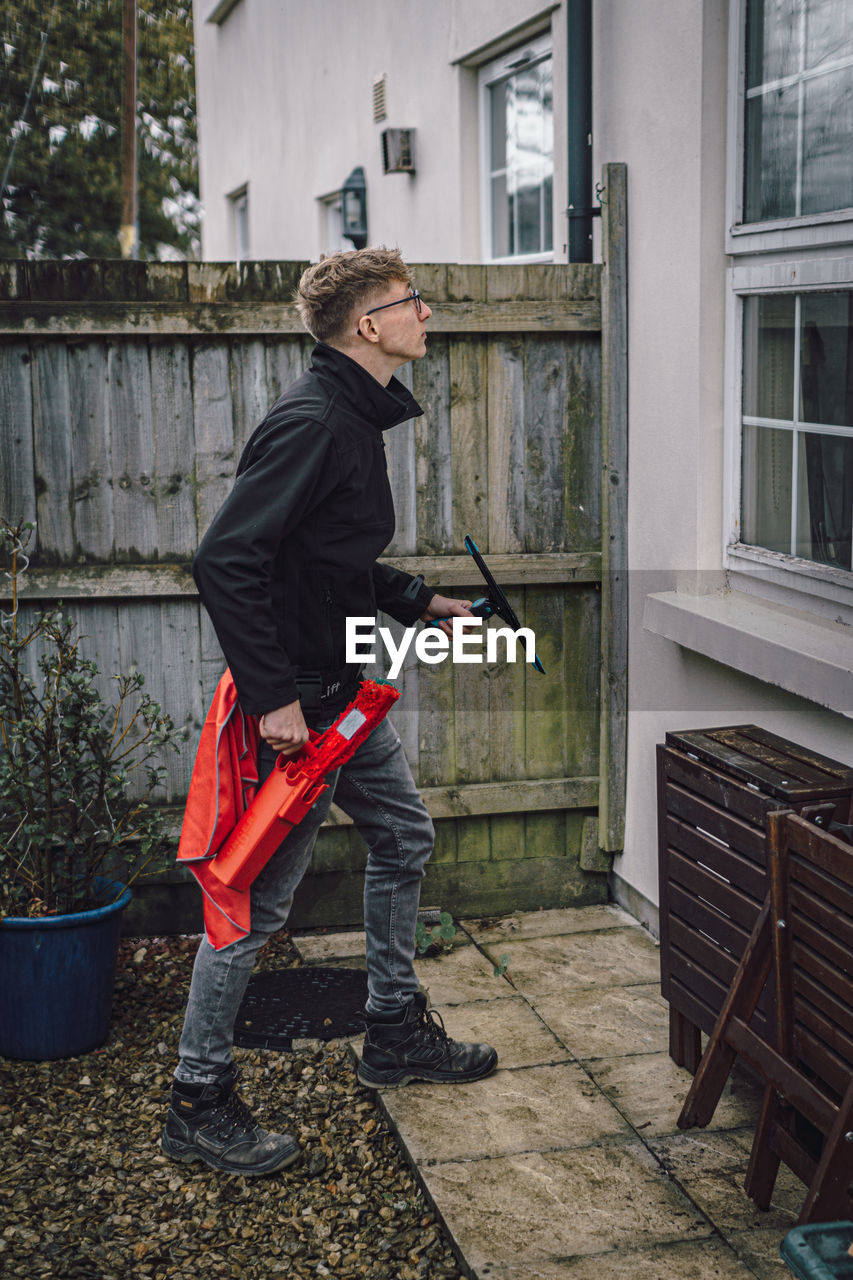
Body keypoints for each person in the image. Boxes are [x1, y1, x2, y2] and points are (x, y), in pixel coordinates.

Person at [161, 247, 498, 1177]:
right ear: (367, 324)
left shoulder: (354, 418)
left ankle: (391, 1029)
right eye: (410, 302)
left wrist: (418, 599)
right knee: (251, 905)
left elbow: (324, 555)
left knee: (403, 838)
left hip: (345, 699)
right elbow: (226, 560)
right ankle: (197, 1098)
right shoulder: (315, 421)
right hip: (300, 717)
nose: (425, 314)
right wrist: (273, 701)